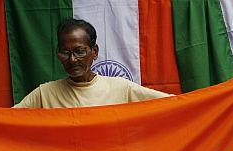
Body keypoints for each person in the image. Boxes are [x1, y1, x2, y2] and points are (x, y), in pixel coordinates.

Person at [14, 18, 170, 109]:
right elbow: (7, 120)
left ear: (94, 51)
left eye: (79, 51)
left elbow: (171, 104)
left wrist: (195, 106)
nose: (72, 59)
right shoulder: (44, 94)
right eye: (65, 52)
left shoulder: (121, 88)